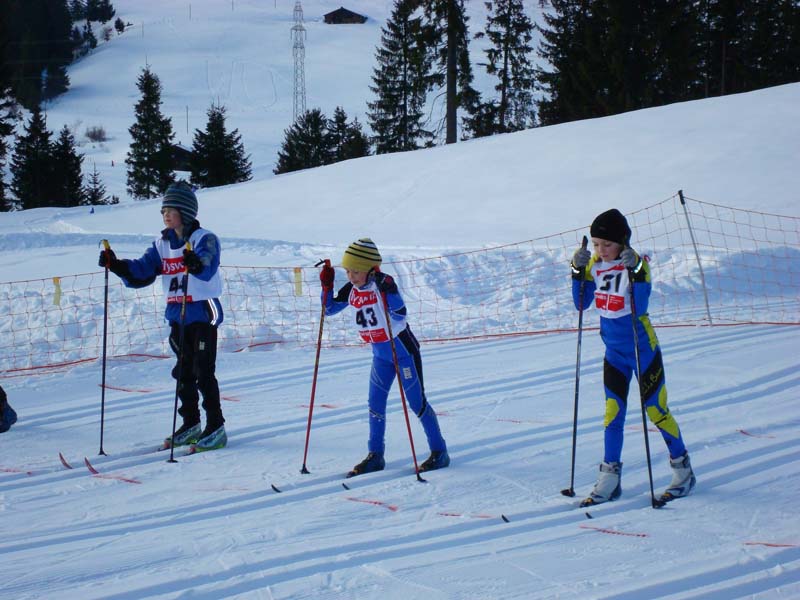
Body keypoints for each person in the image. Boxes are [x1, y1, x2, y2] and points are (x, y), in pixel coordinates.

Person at [571, 208, 695, 505]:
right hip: (614, 353)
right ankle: (609, 479)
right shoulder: (594, 266)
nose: (601, 250)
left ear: (623, 242)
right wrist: (577, 270)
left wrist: (637, 269)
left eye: (608, 244)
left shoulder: (636, 265)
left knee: (656, 411)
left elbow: (641, 304)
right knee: (612, 415)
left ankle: (683, 472)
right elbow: (581, 303)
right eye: (596, 244)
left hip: (642, 350)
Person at [98, 181, 227, 452]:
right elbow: (143, 271)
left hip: (202, 312)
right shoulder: (162, 244)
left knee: (203, 372)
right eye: (163, 210)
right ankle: (191, 423)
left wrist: (195, 263)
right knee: (183, 372)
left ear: (185, 212)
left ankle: (216, 426)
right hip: (177, 315)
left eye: (171, 210)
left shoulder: (204, 238)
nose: (165, 215)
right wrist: (117, 265)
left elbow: (208, 265)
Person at [319, 238, 450, 477]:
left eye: (356, 271)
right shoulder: (352, 289)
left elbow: (399, 314)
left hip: (403, 351)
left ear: (370, 268)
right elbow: (328, 310)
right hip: (380, 355)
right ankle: (375, 455)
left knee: (417, 403)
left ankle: (439, 452)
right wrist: (326, 287)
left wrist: (389, 290)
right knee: (375, 404)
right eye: (347, 271)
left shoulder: (383, 283)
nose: (351, 276)